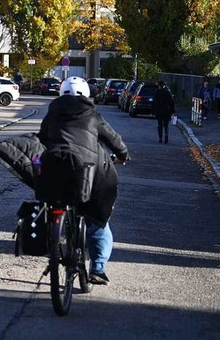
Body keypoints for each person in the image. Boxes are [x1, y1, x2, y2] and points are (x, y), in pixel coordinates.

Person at [37, 76, 129, 285]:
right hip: (86, 174)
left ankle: (54, 239)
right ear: (87, 93)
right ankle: (98, 268)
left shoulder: (52, 113)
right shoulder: (92, 116)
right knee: (97, 220)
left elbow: (42, 138)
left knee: (52, 204)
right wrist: (123, 155)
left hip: (55, 170)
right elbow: (113, 140)